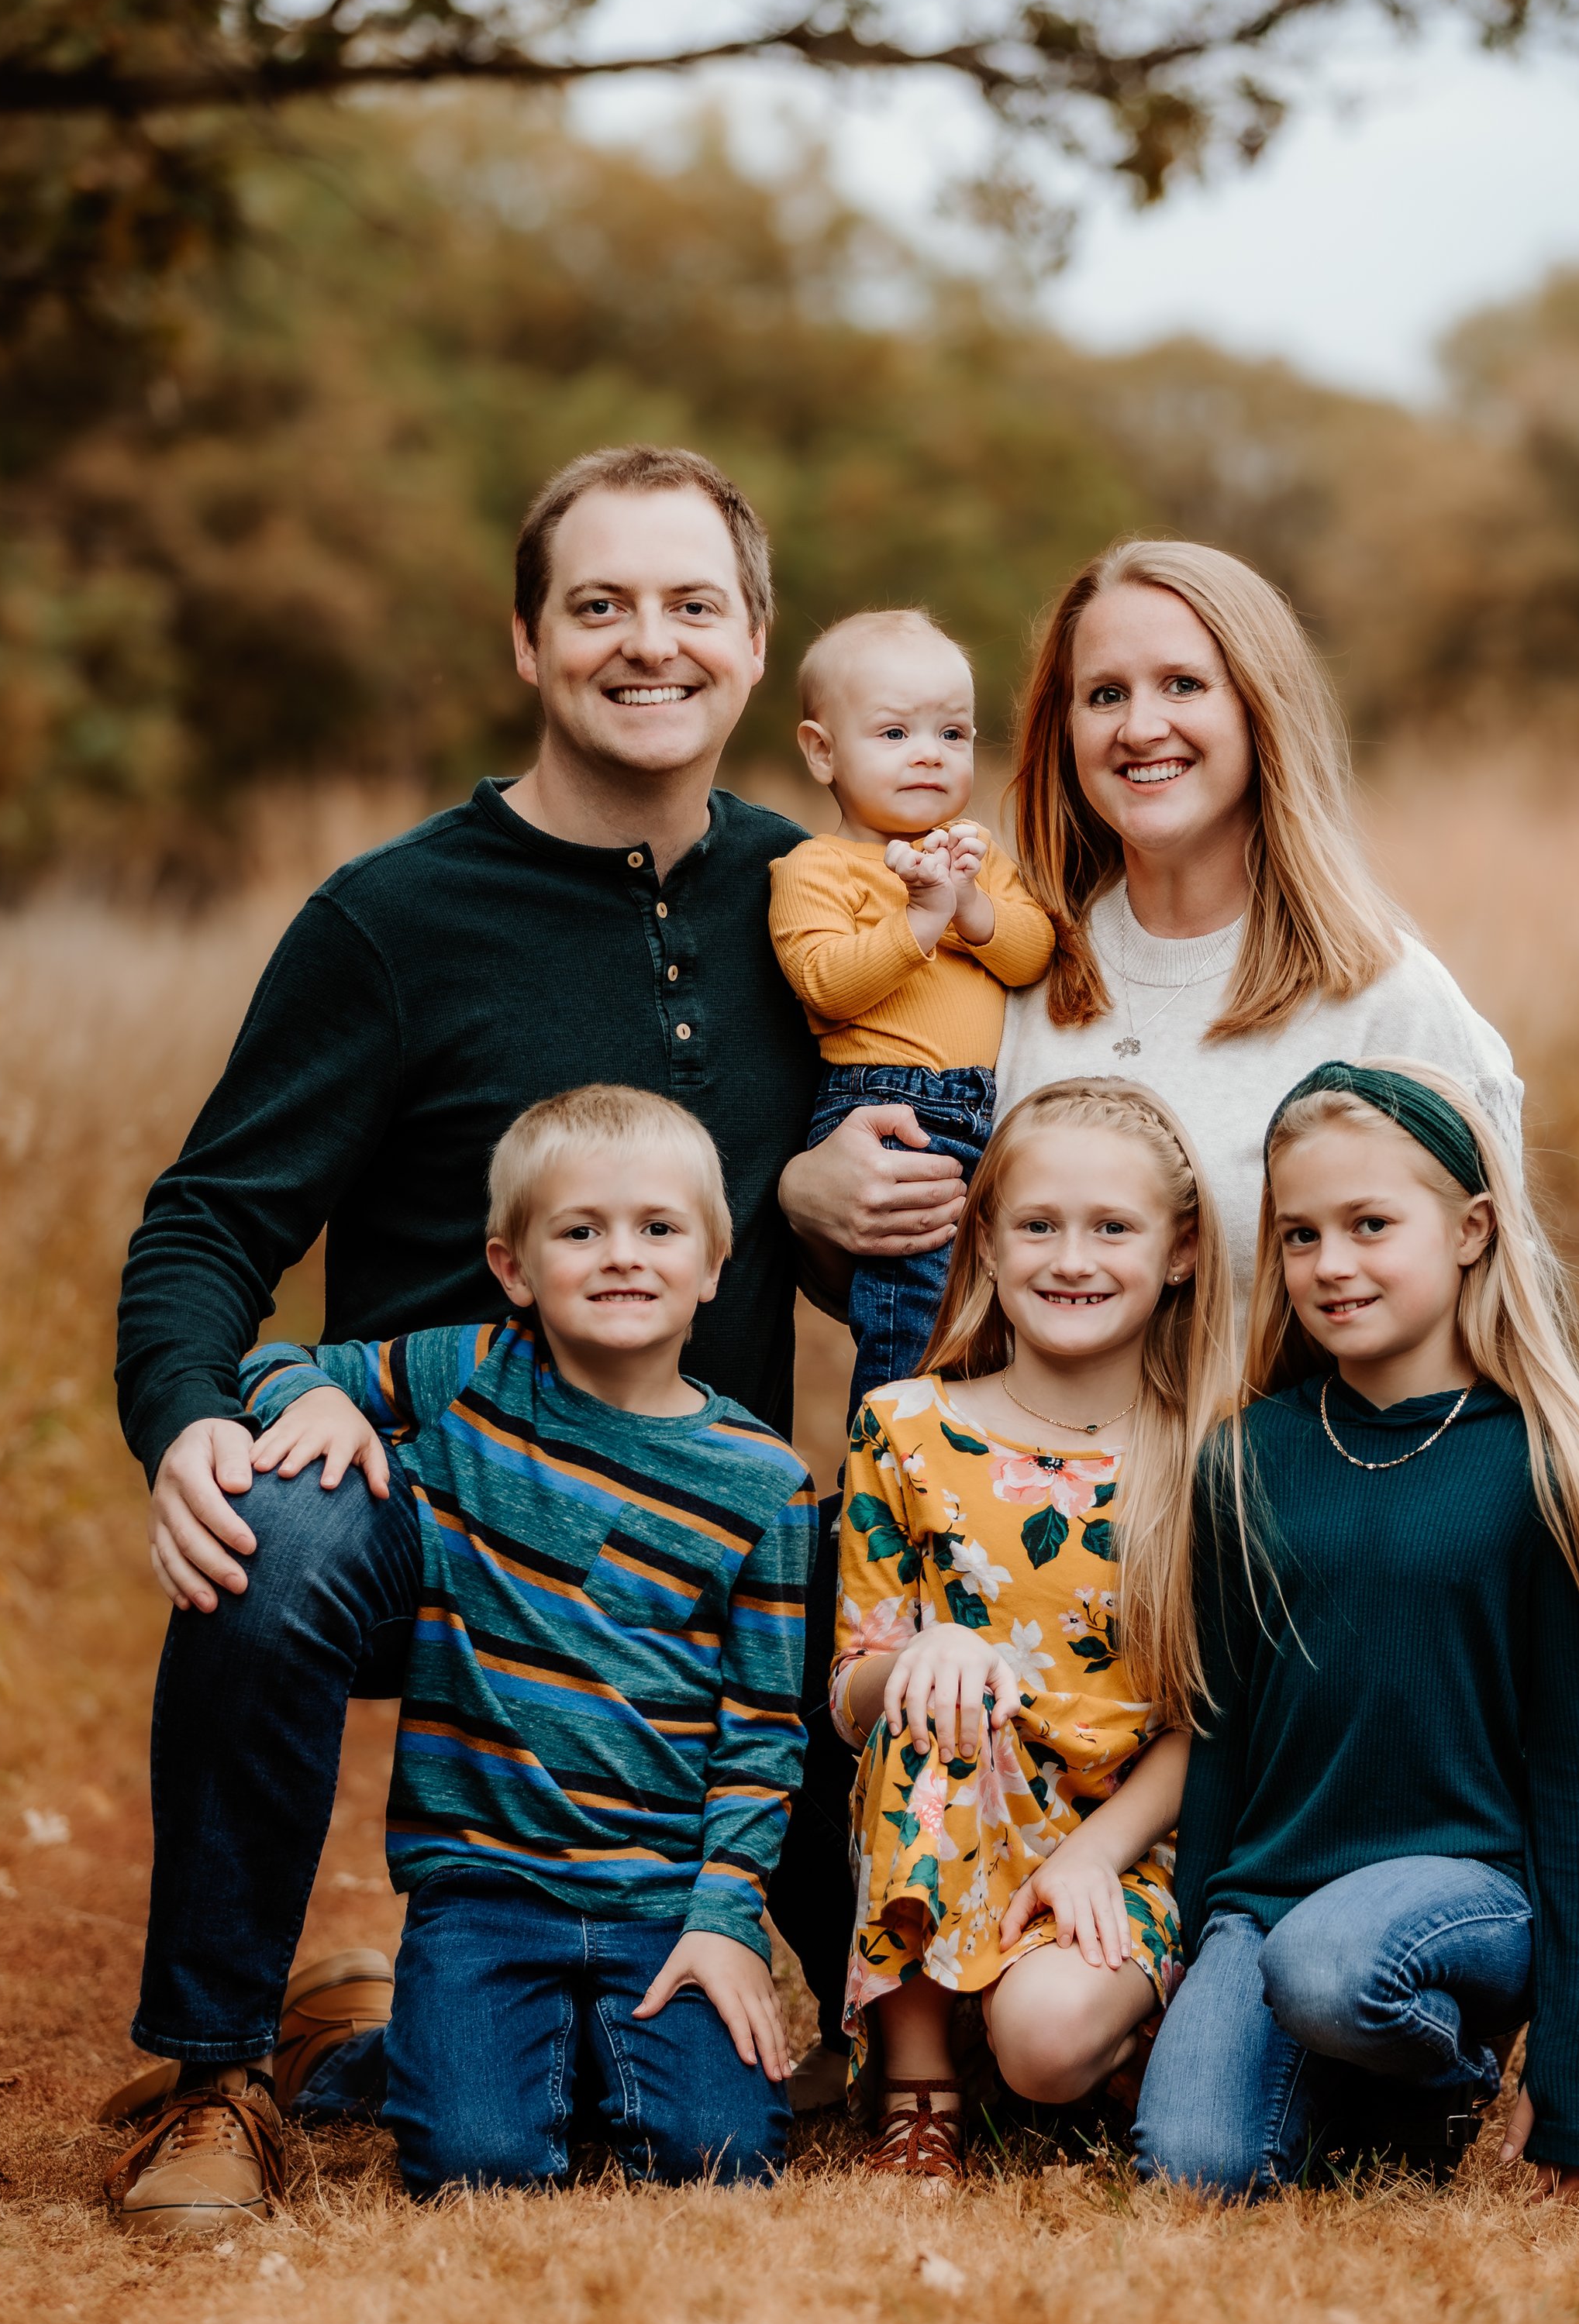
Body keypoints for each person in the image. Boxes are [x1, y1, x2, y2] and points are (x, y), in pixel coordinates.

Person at [104, 445, 967, 2230]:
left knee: (890, 1711)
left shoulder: (826, 913)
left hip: (719, 1532)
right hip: (439, 1500)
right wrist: (194, 1410)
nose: (647, 643)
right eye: (600, 604)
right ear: (527, 638)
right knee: (274, 1540)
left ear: (753, 645)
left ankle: (972, 2033)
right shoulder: (395, 918)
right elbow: (210, 1219)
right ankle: (216, 2072)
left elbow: (888, 1234)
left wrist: (822, 1210)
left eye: (690, 605)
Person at [105, 1088, 813, 2212]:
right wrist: (320, 1406)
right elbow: (281, 1359)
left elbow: (764, 1730)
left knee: (716, 2160)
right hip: (486, 1890)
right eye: (579, 1230)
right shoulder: (474, 1376)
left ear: (717, 1263)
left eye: (659, 1229)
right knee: (476, 2165)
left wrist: (727, 1919)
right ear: (515, 1265)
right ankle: (362, 2053)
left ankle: (420, 2045)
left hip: (659, 1897)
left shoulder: (765, 1484)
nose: (621, 1256)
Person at [1136, 1059, 1579, 2202]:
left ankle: (1451, 2073)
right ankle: (1375, 2096)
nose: (1332, 1264)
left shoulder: (1535, 1464)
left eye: (1371, 1224)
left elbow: (1577, 1774)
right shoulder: (1245, 1457)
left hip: (1465, 1893)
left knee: (1331, 1967)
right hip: (1271, 1895)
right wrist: (1196, 1935)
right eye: (1300, 1234)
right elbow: (1224, 1726)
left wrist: (1570, 2075)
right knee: (1193, 2165)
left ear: (1471, 1229)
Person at [831, 1077, 1234, 2187]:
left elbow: (1219, 1715)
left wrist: (1099, 1855)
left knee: (1048, 2046)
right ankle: (917, 2089)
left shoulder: (1213, 1454)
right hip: (956, 1807)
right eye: (1040, 1225)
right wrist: (914, 1657)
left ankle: (1085, 2041)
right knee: (933, 1692)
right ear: (989, 1245)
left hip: (1127, 1836)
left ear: (1182, 1250)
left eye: (1114, 1227)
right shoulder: (905, 1428)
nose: (1073, 1258)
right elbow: (848, 1688)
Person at [996, 539, 1522, 1306]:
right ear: (1064, 726)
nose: (1140, 728)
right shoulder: (1011, 964)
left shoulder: (1386, 1003)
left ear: (1259, 708)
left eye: (1182, 685)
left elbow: (1491, 1326)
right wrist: (815, 1199)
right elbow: (919, 1278)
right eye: (1105, 694)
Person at [770, 609, 1057, 1411]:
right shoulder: (814, 869)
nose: (929, 752)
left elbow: (1031, 952)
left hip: (988, 1113)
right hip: (892, 1114)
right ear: (823, 751)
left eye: (953, 733)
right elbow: (826, 982)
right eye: (893, 734)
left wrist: (968, 908)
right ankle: (889, 1485)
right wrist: (917, 922)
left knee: (996, 1324)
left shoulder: (977, 855)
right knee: (916, 1325)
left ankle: (972, 1481)